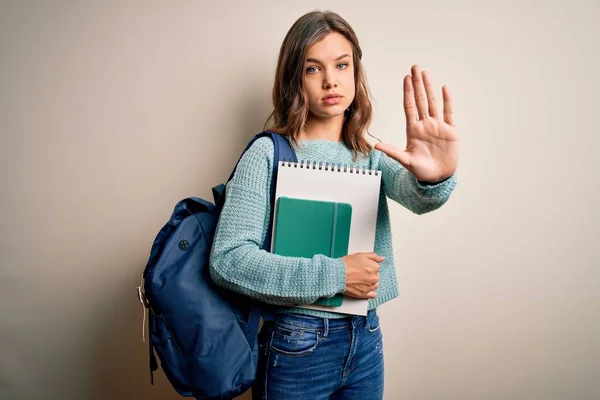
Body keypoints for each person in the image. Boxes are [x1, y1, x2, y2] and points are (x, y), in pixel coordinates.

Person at [209, 10, 458, 400]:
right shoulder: (267, 153)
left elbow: (419, 197)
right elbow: (228, 260)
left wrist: (435, 176)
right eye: (313, 68)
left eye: (342, 65)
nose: (331, 80)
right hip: (296, 344)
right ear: (295, 79)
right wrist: (337, 276)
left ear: (356, 72)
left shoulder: (369, 151)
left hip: (366, 337)